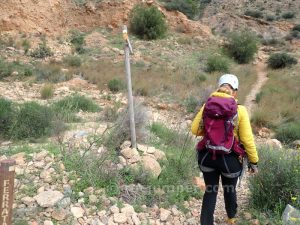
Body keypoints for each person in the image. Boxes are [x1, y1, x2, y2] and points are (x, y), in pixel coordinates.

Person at [191, 74, 259, 225]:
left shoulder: (207, 106)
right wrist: (254, 161)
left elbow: (195, 129)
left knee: (210, 191)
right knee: (230, 189)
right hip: (230, 160)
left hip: (207, 157)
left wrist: (211, 132)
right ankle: (231, 219)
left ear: (219, 88)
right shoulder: (240, 110)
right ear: (234, 92)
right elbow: (247, 140)